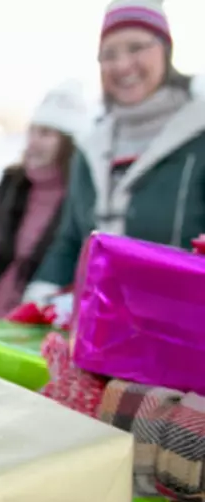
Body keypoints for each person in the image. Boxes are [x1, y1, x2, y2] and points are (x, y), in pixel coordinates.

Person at [25, 0, 205, 304]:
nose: (122, 65)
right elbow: (70, 242)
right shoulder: (91, 147)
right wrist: (39, 299)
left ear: (166, 49)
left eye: (136, 47)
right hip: (100, 331)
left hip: (184, 331)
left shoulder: (197, 135)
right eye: (109, 54)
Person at [0, 81, 88, 318]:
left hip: (40, 325)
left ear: (68, 142)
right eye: (32, 131)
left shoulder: (79, 198)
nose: (33, 141)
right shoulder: (12, 184)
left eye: (45, 133)